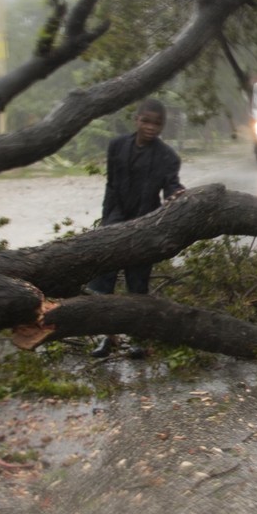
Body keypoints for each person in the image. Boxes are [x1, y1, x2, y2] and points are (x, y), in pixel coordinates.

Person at [88, 99, 186, 358]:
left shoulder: (168, 157)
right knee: (103, 281)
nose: (151, 127)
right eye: (146, 121)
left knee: (137, 284)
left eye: (157, 123)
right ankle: (106, 338)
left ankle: (137, 339)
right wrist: (107, 220)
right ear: (137, 119)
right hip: (114, 221)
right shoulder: (117, 146)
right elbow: (111, 185)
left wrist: (178, 195)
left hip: (145, 226)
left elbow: (171, 188)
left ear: (163, 126)